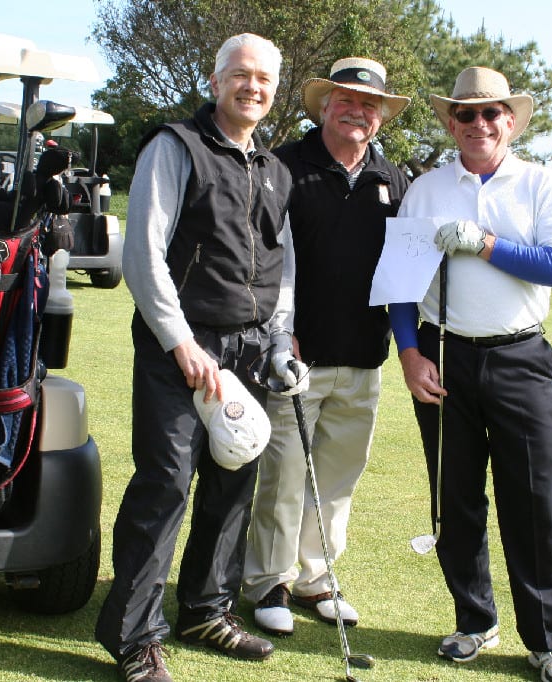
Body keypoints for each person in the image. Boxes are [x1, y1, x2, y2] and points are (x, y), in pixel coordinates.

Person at [94, 33, 305, 682]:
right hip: (179, 349)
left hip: (247, 353)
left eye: (264, 79)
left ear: (274, 90)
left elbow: (281, 268)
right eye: (240, 75)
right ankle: (133, 639)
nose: (253, 87)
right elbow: (142, 255)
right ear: (215, 82)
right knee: (164, 485)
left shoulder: (274, 169)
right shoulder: (174, 146)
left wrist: (279, 339)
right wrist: (180, 342)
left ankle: (206, 609)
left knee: (232, 482)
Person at [388, 66, 552, 682]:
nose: (479, 124)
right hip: (442, 355)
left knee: (531, 503)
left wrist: (486, 243)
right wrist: (409, 353)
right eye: (466, 115)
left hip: (520, 358)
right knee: (457, 499)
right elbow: (400, 283)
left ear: (510, 120)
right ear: (451, 123)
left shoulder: (540, 185)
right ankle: (475, 620)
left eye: (491, 113)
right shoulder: (425, 190)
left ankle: (546, 639)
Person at [243, 57, 411, 636]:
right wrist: (275, 333)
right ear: (324, 106)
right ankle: (270, 581)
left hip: (365, 356)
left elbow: (405, 270)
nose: (358, 111)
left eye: (370, 104)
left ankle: (318, 577)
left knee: (337, 479)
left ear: (382, 115)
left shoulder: (393, 177)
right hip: (296, 355)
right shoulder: (285, 166)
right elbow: (266, 259)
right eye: (346, 100)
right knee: (285, 475)